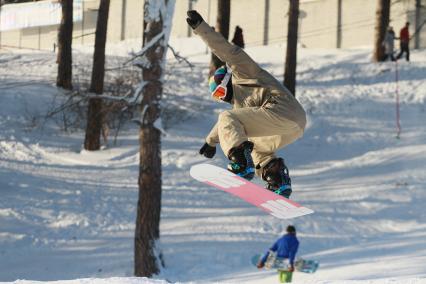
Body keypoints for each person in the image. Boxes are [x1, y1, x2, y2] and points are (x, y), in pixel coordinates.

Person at [187, 10, 306, 198]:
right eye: (217, 97)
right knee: (257, 147)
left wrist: (200, 28)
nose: (223, 98)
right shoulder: (241, 106)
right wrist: (210, 141)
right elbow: (227, 127)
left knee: (228, 118)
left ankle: (241, 163)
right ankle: (277, 179)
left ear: (226, 80)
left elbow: (226, 50)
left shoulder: (244, 72)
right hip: (294, 125)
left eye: (220, 91)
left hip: (281, 110)